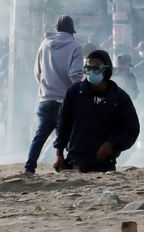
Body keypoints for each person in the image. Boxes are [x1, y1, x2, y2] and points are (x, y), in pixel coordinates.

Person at [54, 50, 140, 173]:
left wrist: (113, 144)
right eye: (88, 67)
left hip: (105, 164)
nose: (92, 71)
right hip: (76, 161)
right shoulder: (75, 92)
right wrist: (59, 153)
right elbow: (63, 123)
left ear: (106, 69)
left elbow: (132, 129)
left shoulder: (119, 97)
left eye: (96, 67)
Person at [24, 16, 83, 174]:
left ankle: (29, 167)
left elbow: (37, 72)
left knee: (40, 135)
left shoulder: (44, 44)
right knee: (68, 135)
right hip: (65, 100)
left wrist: (46, 86)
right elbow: (75, 76)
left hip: (45, 99)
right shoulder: (75, 47)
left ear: (57, 29)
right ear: (72, 31)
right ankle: (67, 165)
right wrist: (78, 94)